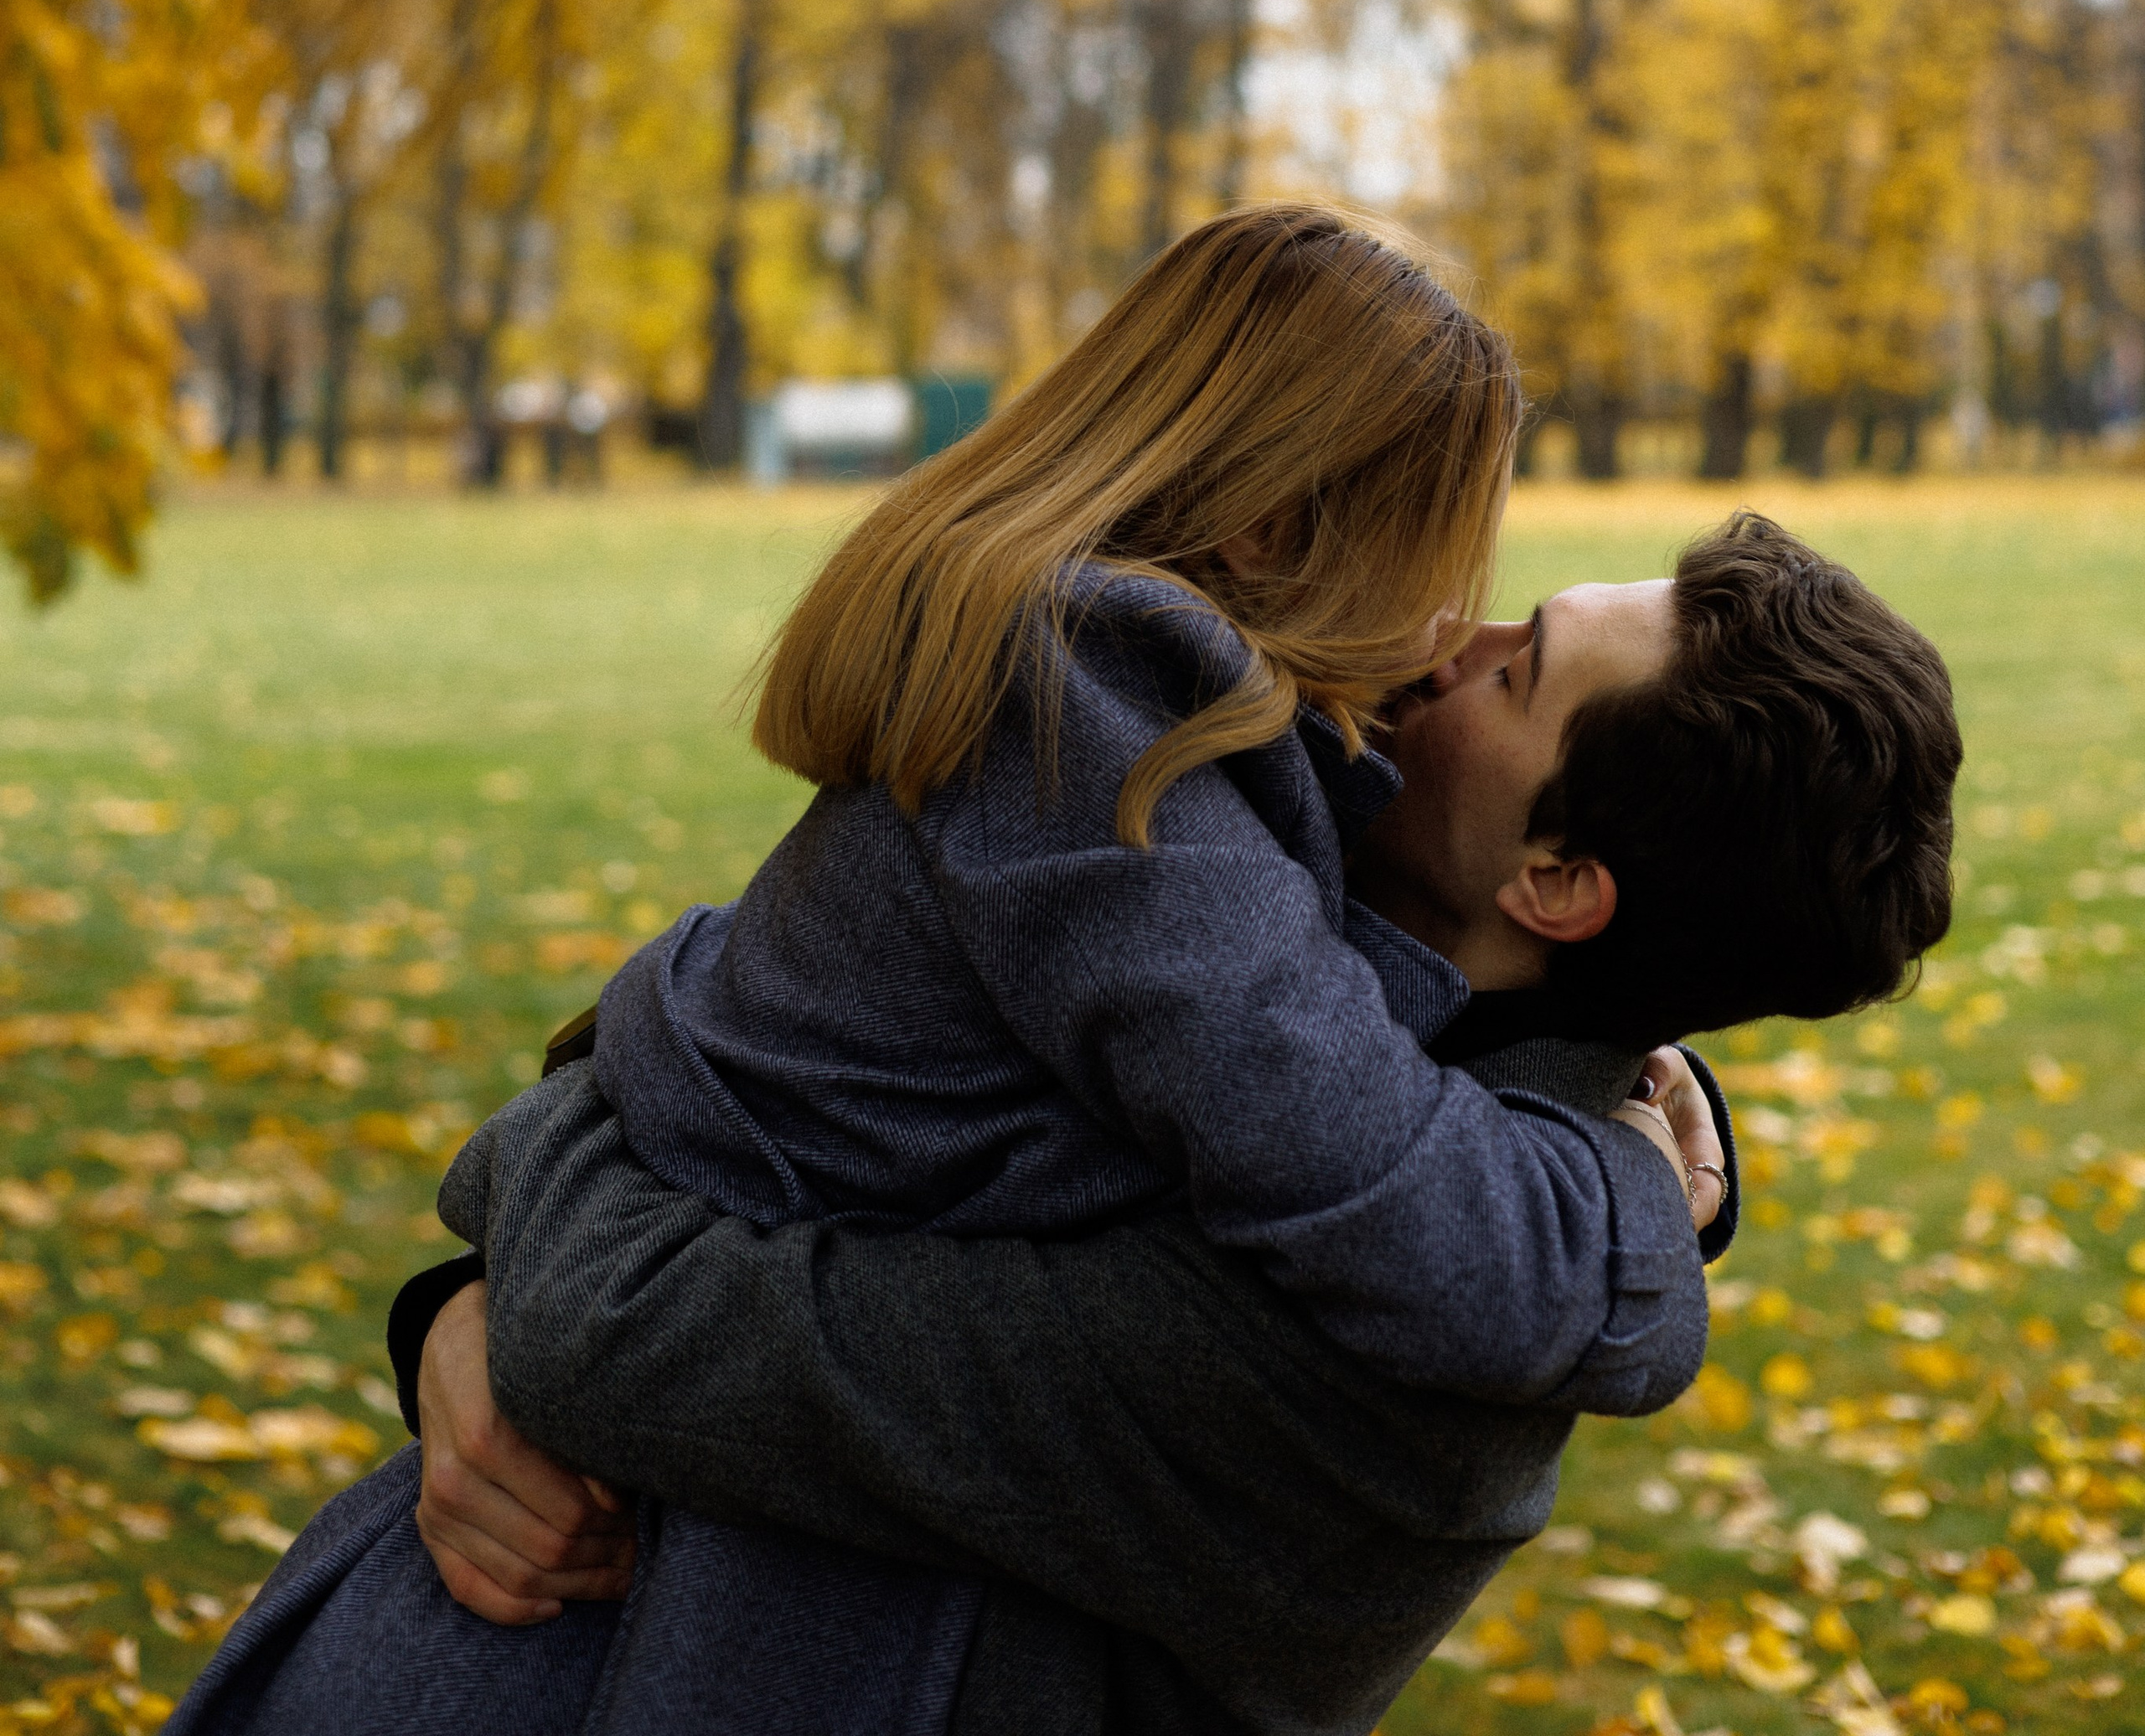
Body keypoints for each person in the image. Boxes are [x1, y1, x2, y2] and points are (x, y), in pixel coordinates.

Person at [170, 216, 1959, 1733]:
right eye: (1461, 573)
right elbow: (766, 1020)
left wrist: (516, 1263)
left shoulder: (1385, 1336)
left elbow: (642, 1328)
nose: (1442, 636)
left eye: (1515, 664)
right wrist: (467, 1294)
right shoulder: (1194, 826)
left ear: (1563, 880)